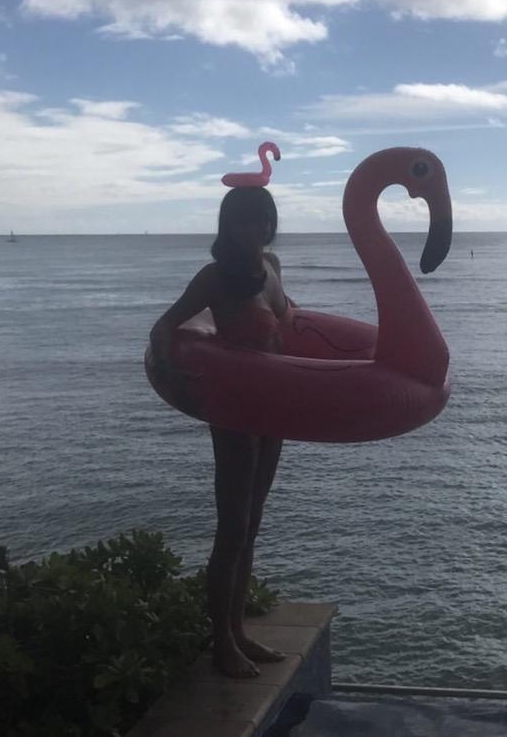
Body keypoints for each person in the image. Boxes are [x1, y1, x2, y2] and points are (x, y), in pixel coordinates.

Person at [149, 186, 293, 678]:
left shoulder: (272, 266)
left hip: (274, 410)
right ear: (228, 226)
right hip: (235, 413)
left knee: (252, 525)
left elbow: (286, 324)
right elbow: (165, 325)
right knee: (231, 529)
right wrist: (170, 375)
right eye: (246, 220)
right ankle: (222, 643)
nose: (258, 228)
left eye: (264, 219)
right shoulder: (214, 278)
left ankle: (238, 631)